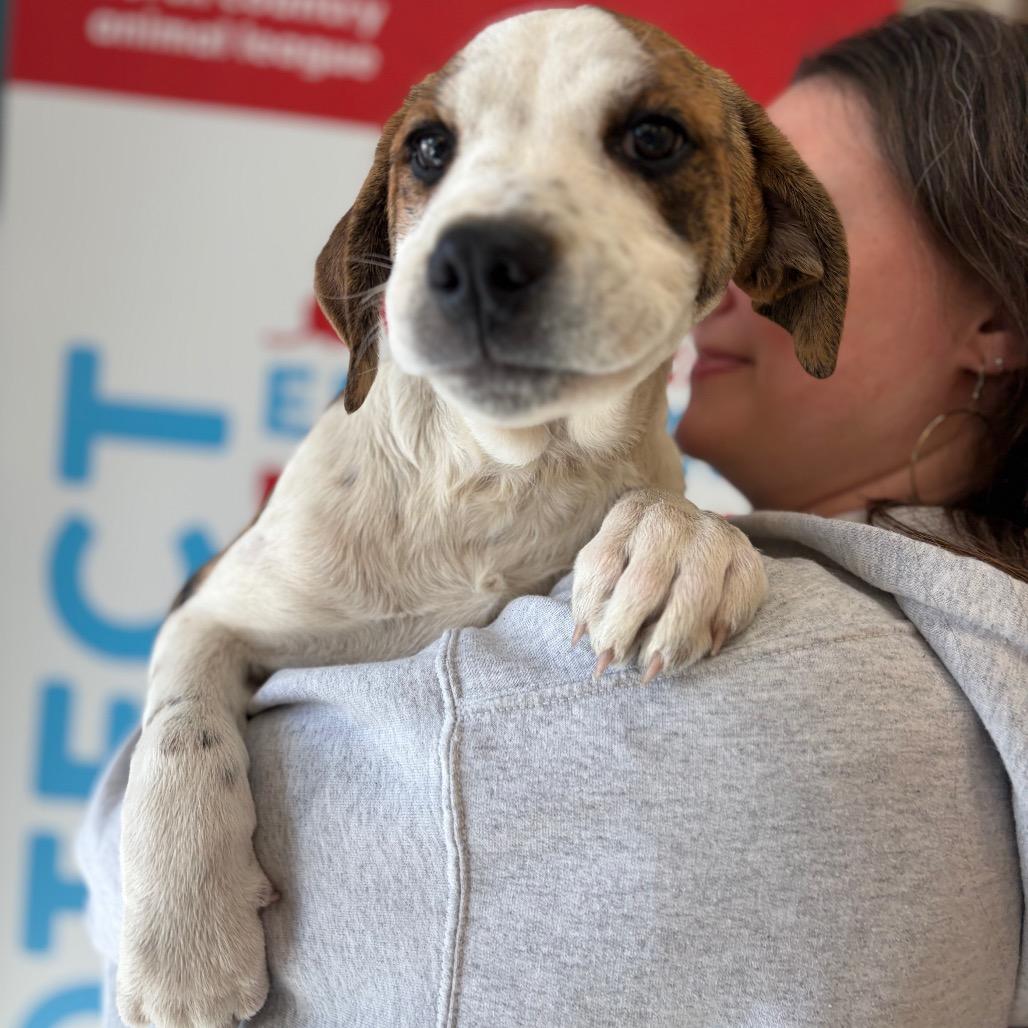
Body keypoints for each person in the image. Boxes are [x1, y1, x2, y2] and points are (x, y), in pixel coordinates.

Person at [79, 8, 1027, 1027]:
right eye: (437, 151)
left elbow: (126, 869)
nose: (499, 235)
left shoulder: (823, 686)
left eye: (651, 144)